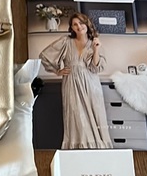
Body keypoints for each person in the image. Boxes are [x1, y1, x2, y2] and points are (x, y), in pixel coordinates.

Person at [39, 13, 113, 149]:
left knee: (96, 115)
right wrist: (57, 71)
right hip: (71, 84)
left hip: (91, 85)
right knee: (75, 118)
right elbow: (45, 56)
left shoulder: (94, 43)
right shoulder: (66, 42)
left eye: (81, 23)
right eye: (75, 24)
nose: (79, 26)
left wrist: (96, 50)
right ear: (72, 28)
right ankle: (77, 150)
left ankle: (99, 149)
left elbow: (95, 68)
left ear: (87, 24)